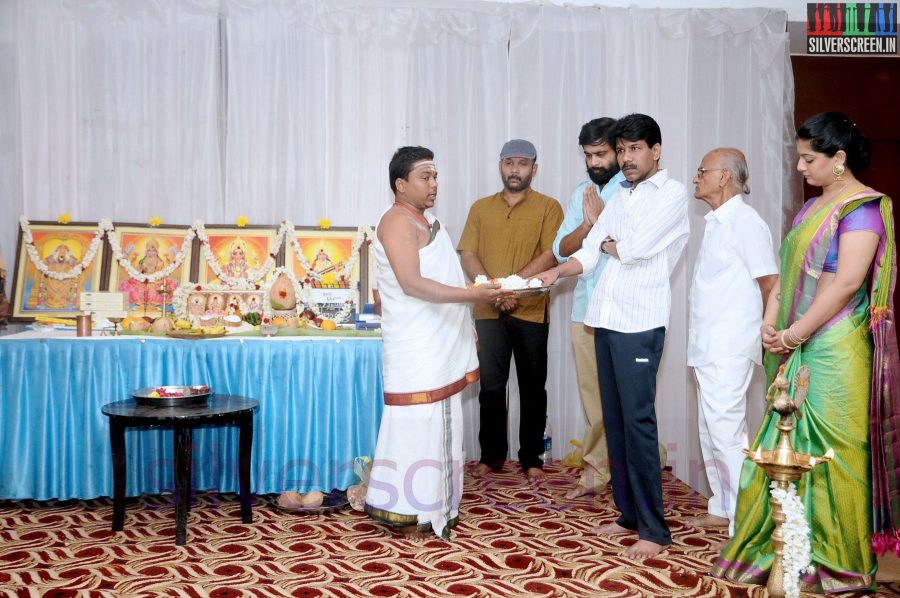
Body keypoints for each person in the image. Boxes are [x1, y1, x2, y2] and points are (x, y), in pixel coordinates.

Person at [712, 113, 899, 593]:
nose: (799, 167)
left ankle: (835, 565)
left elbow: (846, 283)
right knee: (784, 445)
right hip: (797, 340)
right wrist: (771, 322)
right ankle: (778, 552)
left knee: (833, 452)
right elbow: (786, 271)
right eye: (799, 157)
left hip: (835, 348)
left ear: (839, 159)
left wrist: (793, 334)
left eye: (808, 158)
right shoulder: (810, 208)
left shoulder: (863, 208)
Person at [536, 114, 689, 559]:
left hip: (639, 324)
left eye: (634, 149)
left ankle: (655, 531)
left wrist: (607, 242)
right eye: (620, 150)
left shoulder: (673, 194)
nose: (626, 159)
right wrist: (556, 271)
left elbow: (635, 249)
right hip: (605, 319)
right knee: (616, 421)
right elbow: (589, 250)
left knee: (638, 424)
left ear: (656, 150)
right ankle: (628, 513)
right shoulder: (621, 195)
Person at [364, 146, 508, 541]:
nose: (434, 184)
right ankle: (410, 509)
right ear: (401, 184)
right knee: (418, 423)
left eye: (435, 176)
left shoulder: (428, 221)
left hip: (436, 338)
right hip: (417, 343)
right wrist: (474, 296)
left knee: (440, 422)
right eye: (425, 177)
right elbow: (412, 285)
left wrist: (468, 306)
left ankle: (432, 507)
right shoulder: (397, 221)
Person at [457, 139, 564, 482]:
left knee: (533, 386)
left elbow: (552, 255)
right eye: (509, 163)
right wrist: (492, 289)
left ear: (534, 168)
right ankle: (491, 456)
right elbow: (468, 254)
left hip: (530, 309)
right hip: (488, 311)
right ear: (500, 166)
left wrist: (513, 286)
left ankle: (532, 458)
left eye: (522, 163)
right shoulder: (480, 208)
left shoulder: (549, 207)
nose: (514, 170)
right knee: (490, 387)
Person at [684, 148, 778, 535]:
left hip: (729, 344)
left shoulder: (745, 221)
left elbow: (772, 284)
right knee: (710, 430)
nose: (695, 178)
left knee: (726, 432)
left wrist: (769, 332)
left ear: (724, 177)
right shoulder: (717, 221)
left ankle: (746, 527)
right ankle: (721, 507)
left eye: (702, 171)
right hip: (707, 343)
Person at [552, 118, 625, 499]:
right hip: (584, 307)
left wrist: (598, 226)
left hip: (623, 309)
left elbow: (625, 244)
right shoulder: (582, 190)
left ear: (618, 150)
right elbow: (560, 248)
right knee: (592, 394)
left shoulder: (631, 189)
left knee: (624, 396)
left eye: (601, 153)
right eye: (588, 155)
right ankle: (597, 471)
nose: (595, 162)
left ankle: (627, 467)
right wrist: (586, 225)